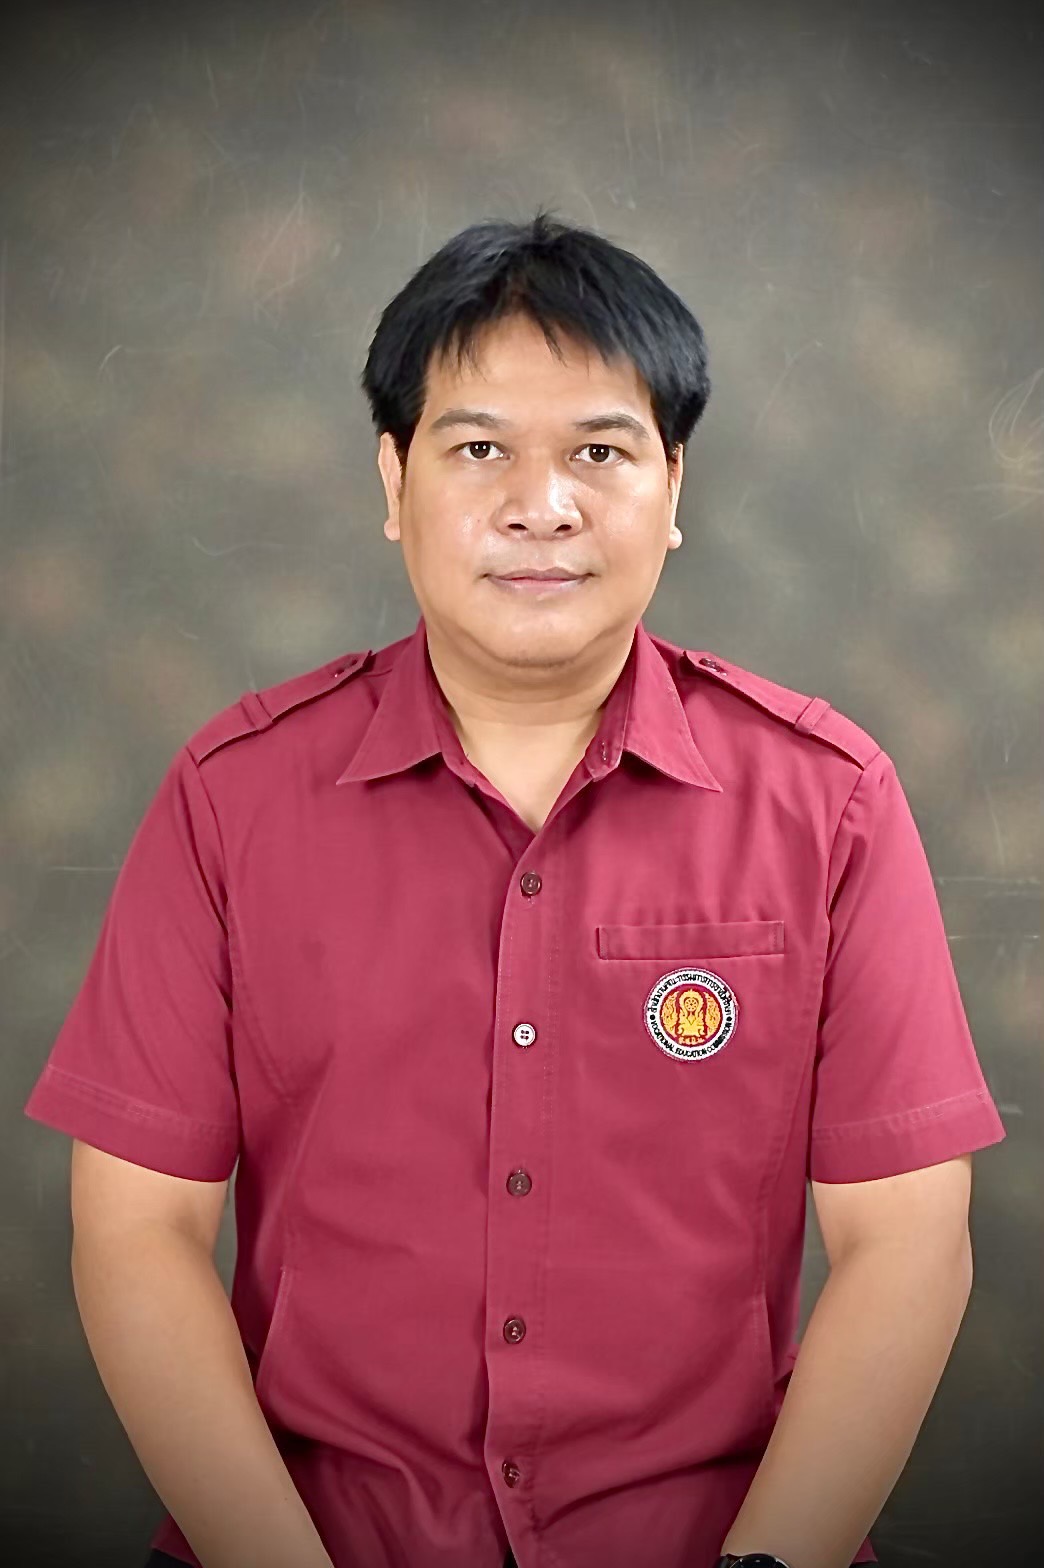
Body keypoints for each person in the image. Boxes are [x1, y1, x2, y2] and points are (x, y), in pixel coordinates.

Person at [24, 209, 1006, 1568]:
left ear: (675, 484)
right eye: (479, 448)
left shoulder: (826, 802)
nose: (541, 506)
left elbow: (908, 1241)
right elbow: (138, 1228)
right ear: (393, 480)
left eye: (599, 451)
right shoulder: (231, 799)